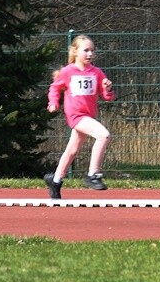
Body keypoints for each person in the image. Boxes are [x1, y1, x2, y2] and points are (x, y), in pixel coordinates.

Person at [44, 35, 114, 199]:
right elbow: (54, 88)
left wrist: (108, 89)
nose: (90, 54)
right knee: (103, 135)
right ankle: (93, 174)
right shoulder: (67, 72)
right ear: (75, 52)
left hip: (88, 115)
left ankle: (55, 180)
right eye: (86, 50)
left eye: (92, 51)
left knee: (72, 150)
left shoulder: (96, 72)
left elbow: (107, 96)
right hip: (76, 115)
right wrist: (53, 103)